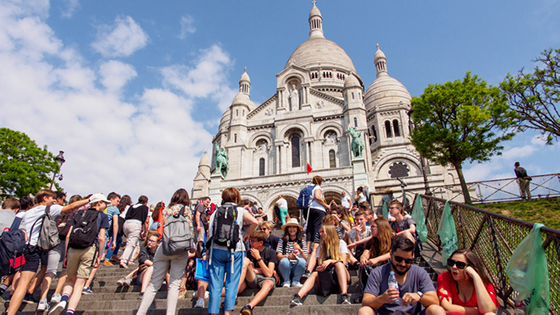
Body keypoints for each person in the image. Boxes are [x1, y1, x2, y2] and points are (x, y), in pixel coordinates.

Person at [6, 189, 89, 315]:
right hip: (32, 249)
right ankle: (11, 313)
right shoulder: (47, 209)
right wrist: (89, 199)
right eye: (52, 198)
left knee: (20, 277)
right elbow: (72, 206)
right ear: (44, 198)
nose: (54, 201)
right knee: (24, 284)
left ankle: (9, 306)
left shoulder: (29, 211)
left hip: (21, 247)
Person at [49, 193, 111, 315]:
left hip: (73, 248)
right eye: (104, 203)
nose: (105, 205)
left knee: (70, 279)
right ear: (99, 202)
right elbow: (101, 238)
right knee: (79, 283)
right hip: (89, 249)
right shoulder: (102, 216)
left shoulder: (79, 213)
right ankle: (70, 311)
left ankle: (63, 299)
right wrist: (99, 256)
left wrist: (66, 254)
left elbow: (68, 235)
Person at [136, 188, 193, 314]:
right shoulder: (187, 210)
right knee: (174, 285)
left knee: (153, 285)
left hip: (164, 247)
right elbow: (190, 229)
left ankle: (140, 312)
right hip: (180, 249)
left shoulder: (166, 210)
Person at [358, 236, 444, 315]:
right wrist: (381, 299)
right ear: (391, 254)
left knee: (437, 310)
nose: (403, 264)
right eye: (399, 259)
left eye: (408, 261)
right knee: (364, 311)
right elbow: (365, 302)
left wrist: (419, 296)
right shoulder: (378, 273)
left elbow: (435, 301)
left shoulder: (420, 272)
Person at [207, 188, 258, 315]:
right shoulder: (240, 210)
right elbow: (255, 222)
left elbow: (210, 233)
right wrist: (246, 235)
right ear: (236, 198)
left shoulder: (215, 212)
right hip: (235, 250)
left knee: (215, 285)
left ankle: (213, 313)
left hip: (217, 250)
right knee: (232, 283)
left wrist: (208, 251)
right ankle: (227, 313)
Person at [290, 224, 351, 306]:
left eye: (323, 232)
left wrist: (330, 261)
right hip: (327, 277)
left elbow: (343, 262)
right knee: (315, 273)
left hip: (341, 275)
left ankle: (344, 295)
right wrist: (320, 267)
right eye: (320, 232)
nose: (320, 234)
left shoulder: (341, 243)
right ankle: (298, 296)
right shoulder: (321, 247)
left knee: (339, 264)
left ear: (329, 232)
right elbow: (320, 264)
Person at [437, 249, 498, 315]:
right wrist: (478, 311)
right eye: (451, 263)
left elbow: (489, 310)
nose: (454, 267)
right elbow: (446, 308)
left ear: (471, 268)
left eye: (460, 265)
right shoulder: (445, 277)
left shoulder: (484, 284)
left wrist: (476, 277)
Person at [239, 230, 278, 315]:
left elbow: (269, 274)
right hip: (253, 278)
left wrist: (258, 258)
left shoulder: (271, 252)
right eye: (250, 240)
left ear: (260, 243)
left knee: (269, 283)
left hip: (265, 279)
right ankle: (230, 296)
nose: (250, 243)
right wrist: (263, 270)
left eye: (253, 241)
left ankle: (249, 306)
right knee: (245, 261)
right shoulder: (249, 253)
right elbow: (251, 269)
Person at [117, 231, 160, 296]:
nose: (149, 242)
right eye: (149, 240)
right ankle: (143, 292)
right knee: (151, 268)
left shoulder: (159, 252)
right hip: (142, 275)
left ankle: (128, 278)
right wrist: (155, 266)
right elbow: (143, 259)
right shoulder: (144, 249)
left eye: (152, 241)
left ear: (157, 243)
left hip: (156, 276)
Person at [357, 218, 393, 290]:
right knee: (364, 267)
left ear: (381, 228)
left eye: (373, 226)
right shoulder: (372, 241)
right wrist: (363, 258)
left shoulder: (393, 240)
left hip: (388, 267)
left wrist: (377, 259)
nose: (370, 229)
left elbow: (392, 253)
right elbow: (367, 252)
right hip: (375, 268)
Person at [276, 218, 308, 288]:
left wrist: (300, 250)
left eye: (294, 227)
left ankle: (296, 281)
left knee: (302, 261)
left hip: (296, 268)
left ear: (297, 229)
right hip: (285, 268)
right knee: (284, 261)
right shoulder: (282, 241)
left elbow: (305, 259)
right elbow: (278, 256)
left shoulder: (302, 242)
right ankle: (286, 281)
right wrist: (288, 256)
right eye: (290, 227)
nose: (292, 229)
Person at [120, 195, 150, 268]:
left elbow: (127, 215)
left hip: (126, 224)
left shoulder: (132, 206)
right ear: (145, 202)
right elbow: (145, 220)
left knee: (136, 243)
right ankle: (124, 260)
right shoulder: (145, 208)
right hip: (135, 224)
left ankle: (131, 259)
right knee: (131, 243)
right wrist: (145, 231)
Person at [306, 176, 330, 257]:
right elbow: (317, 197)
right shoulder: (317, 187)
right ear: (320, 182)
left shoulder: (310, 187)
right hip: (319, 210)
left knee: (309, 228)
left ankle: (308, 249)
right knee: (318, 228)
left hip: (310, 209)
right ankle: (316, 248)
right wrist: (326, 206)